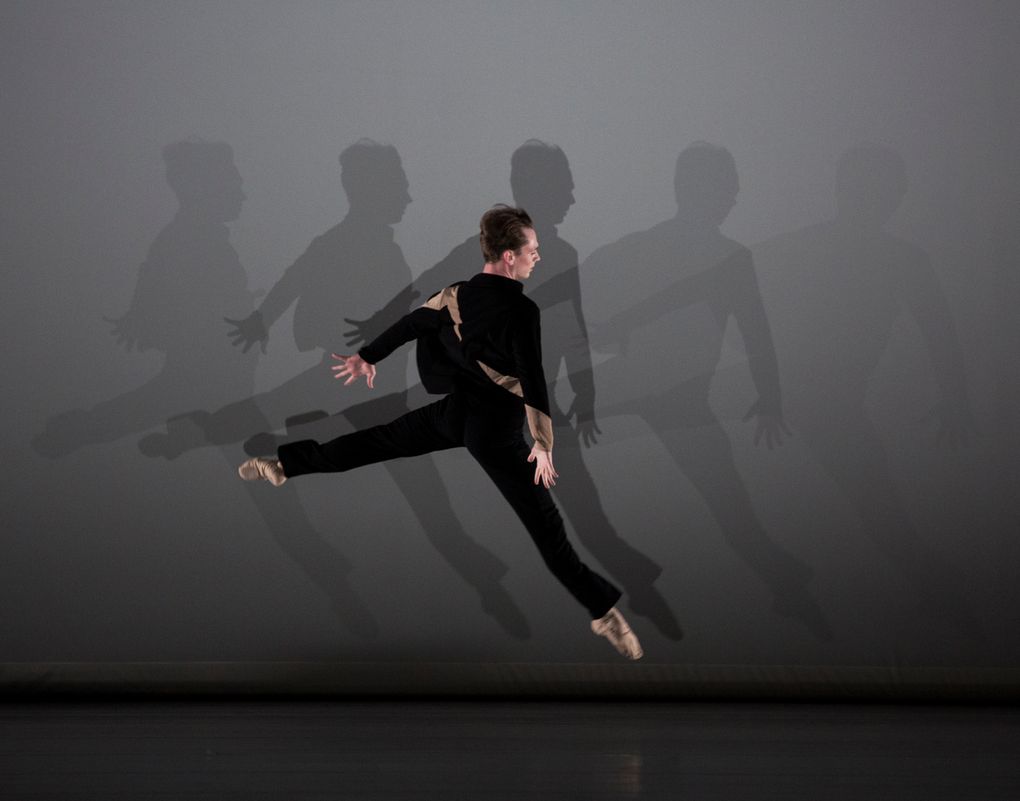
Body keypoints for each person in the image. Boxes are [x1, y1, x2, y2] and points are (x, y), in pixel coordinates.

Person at [238, 205, 643, 660]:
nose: (538, 257)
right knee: (547, 529)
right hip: (494, 433)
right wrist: (543, 445)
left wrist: (367, 356)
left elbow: (412, 323)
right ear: (508, 256)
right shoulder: (522, 310)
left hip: (455, 415)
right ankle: (603, 613)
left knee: (376, 440)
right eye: (532, 249)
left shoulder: (455, 295)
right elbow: (532, 375)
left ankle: (283, 465)